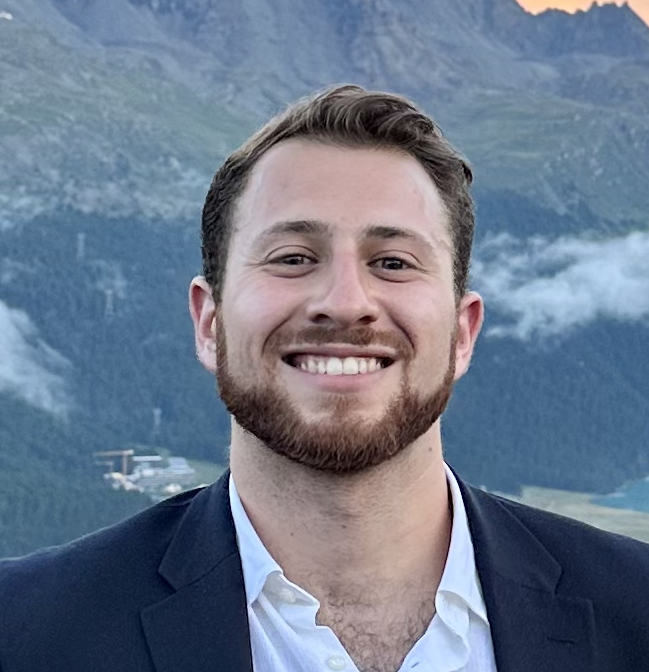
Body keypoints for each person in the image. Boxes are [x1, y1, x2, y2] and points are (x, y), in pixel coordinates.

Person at [1, 85, 648, 672]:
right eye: (292, 258)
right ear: (209, 323)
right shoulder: (23, 632)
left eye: (392, 262)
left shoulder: (635, 611)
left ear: (461, 332)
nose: (344, 302)